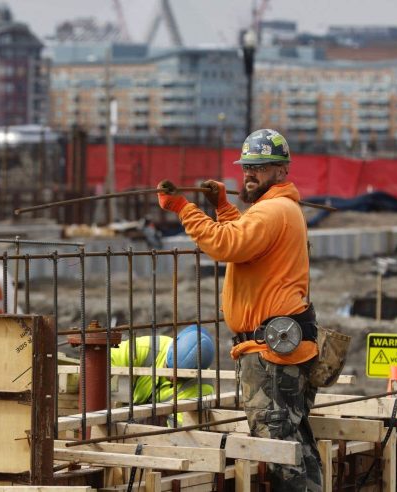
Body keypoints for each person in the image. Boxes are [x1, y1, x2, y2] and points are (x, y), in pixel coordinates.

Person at [156, 128, 322, 491]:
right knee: (296, 443)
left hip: (270, 357)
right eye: (247, 166)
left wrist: (184, 208)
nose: (250, 174)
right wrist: (223, 207)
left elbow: (226, 244)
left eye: (260, 168)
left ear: (281, 171)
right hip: (276, 349)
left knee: (280, 449)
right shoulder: (276, 210)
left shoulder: (273, 210)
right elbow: (246, 242)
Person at [110, 325, 214, 407]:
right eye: (169, 368)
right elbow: (106, 358)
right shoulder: (148, 347)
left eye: (181, 376)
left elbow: (179, 430)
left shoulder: (201, 389)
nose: (173, 378)